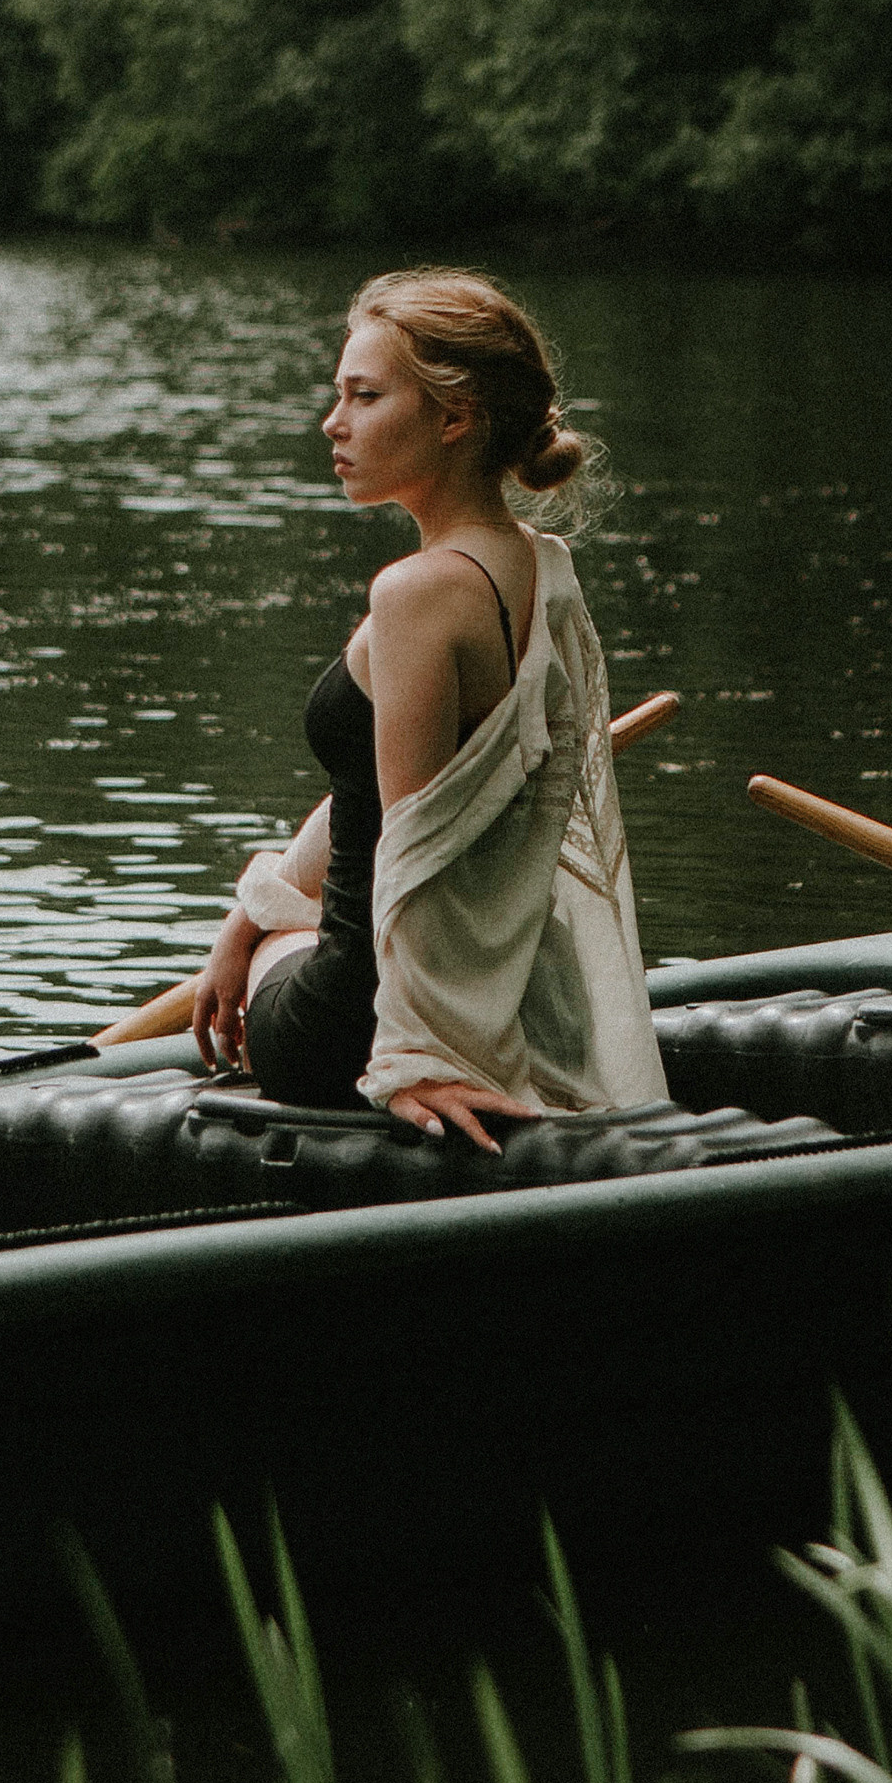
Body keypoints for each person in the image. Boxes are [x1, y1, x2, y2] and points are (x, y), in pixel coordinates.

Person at [99, 270, 666, 1149]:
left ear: (453, 417)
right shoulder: (540, 567)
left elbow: (409, 855)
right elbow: (390, 795)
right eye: (339, 396)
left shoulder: (413, 595)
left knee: (270, 958)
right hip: (472, 992)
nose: (334, 423)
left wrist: (415, 1059)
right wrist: (248, 912)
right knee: (265, 930)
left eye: (364, 397)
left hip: (349, 1025)